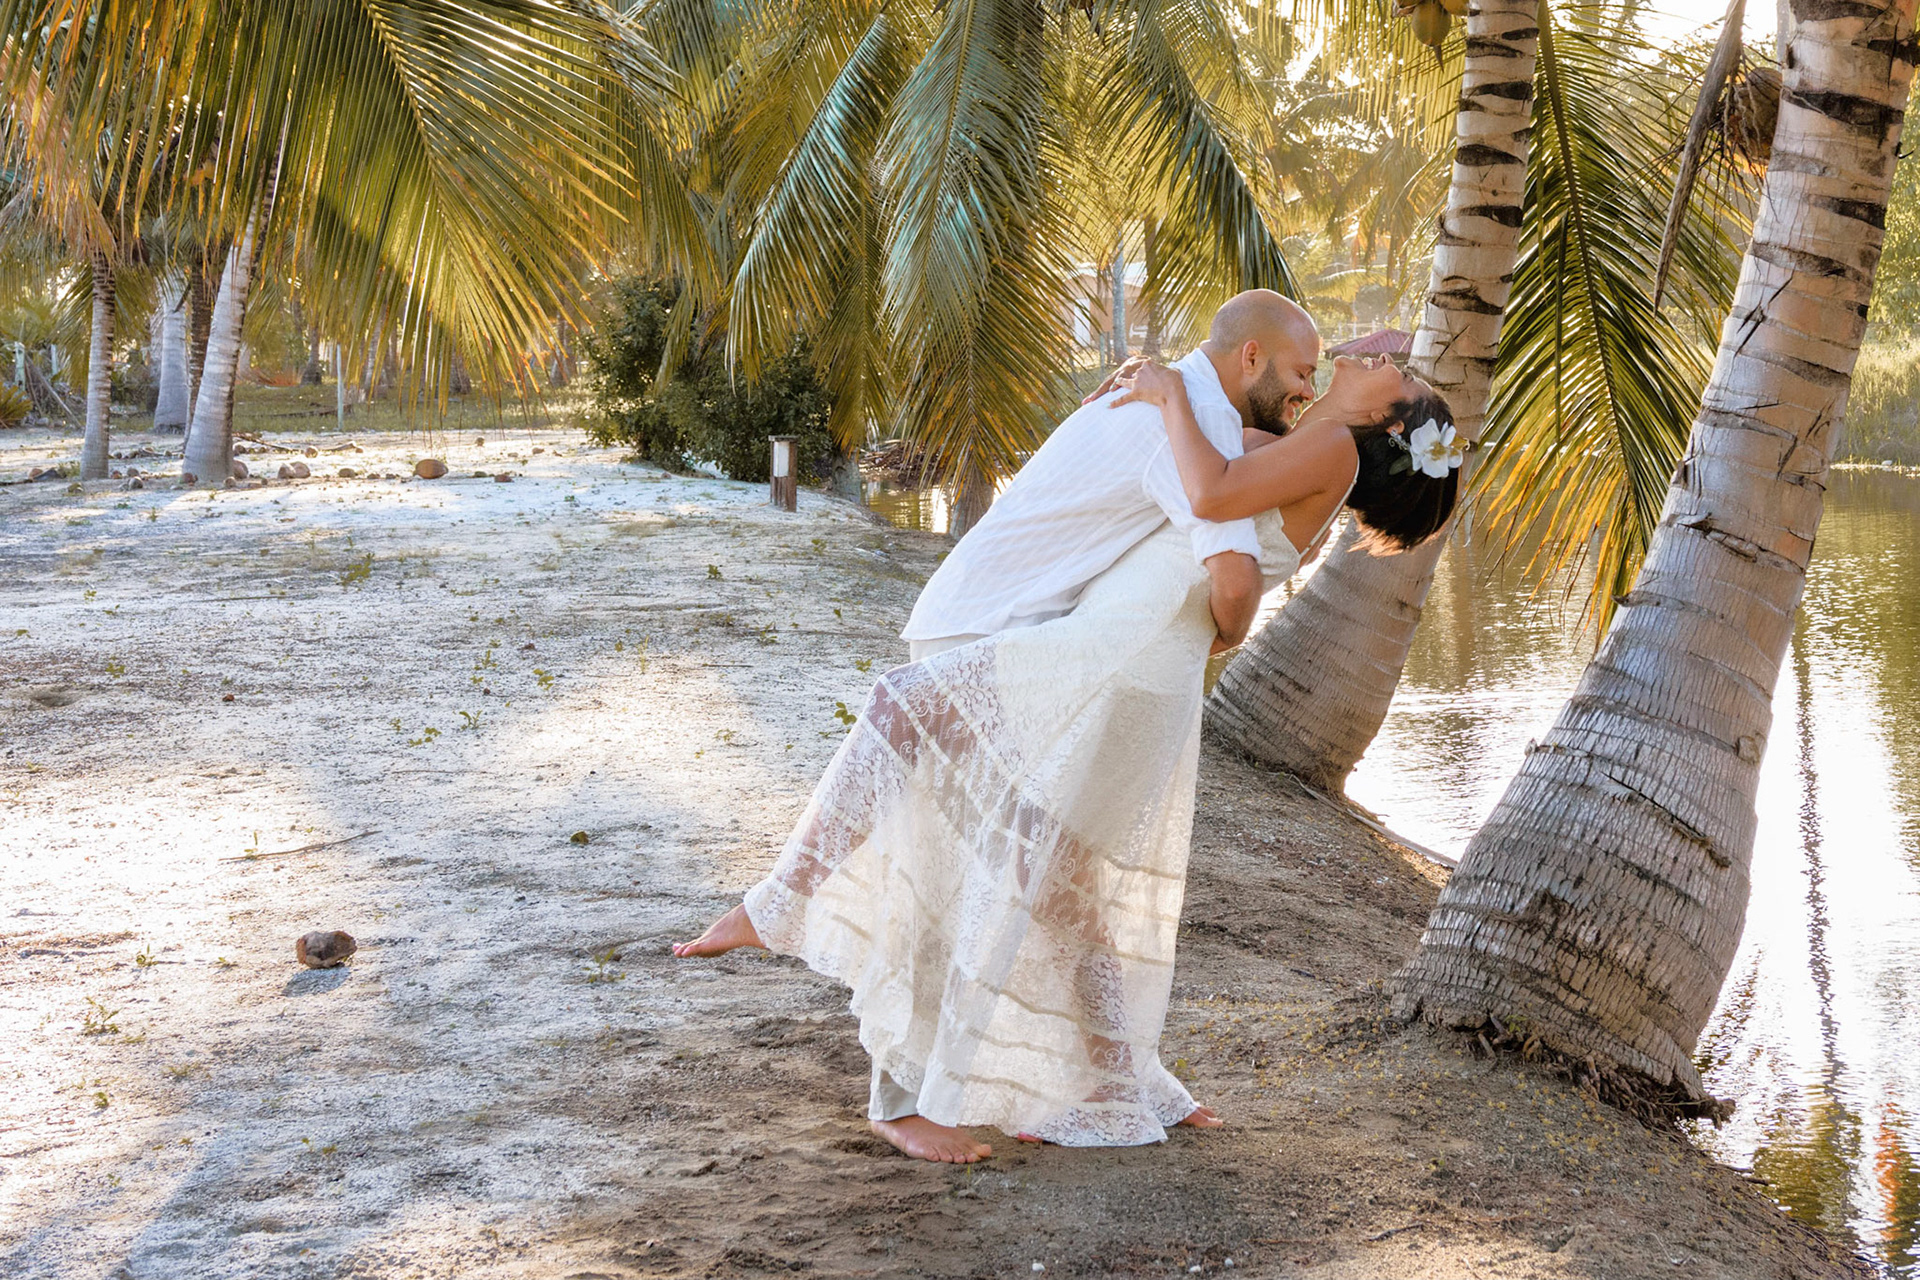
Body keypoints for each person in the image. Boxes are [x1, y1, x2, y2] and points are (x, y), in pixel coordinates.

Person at [675, 297, 1461, 1164]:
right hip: (1126, 647)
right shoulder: (1289, 442)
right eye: (1316, 361)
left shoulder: (1318, 443)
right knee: (1059, 879)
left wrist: (1165, 402)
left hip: (1117, 649)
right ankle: (1121, 1079)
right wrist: (1160, 400)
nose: (1377, 357)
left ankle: (785, 912)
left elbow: (1222, 523)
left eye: (1397, 376)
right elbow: (1226, 491)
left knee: (929, 744)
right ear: (1248, 359)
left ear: (1387, 421)